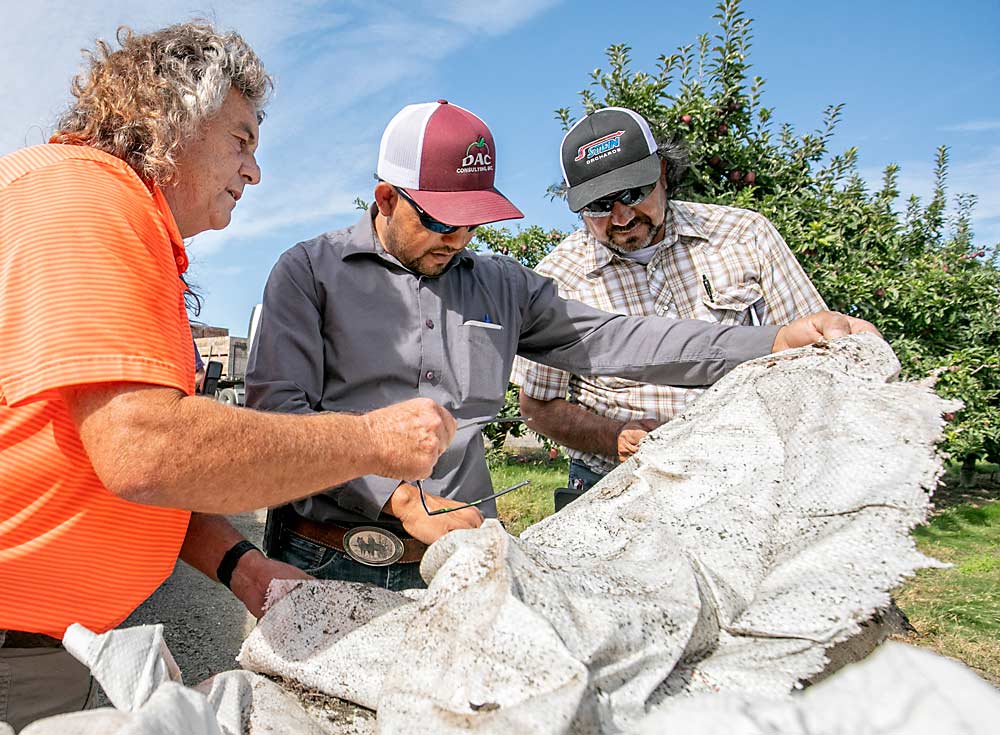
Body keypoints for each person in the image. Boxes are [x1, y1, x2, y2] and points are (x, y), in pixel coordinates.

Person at [0, 23, 452, 730]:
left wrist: (244, 564)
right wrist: (369, 442)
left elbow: (125, 465)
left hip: (48, 643)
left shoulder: (114, 216)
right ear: (170, 115)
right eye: (241, 140)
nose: (254, 171)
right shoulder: (87, 202)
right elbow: (146, 448)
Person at [246, 100, 876, 592]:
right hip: (328, 554)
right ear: (386, 198)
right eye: (440, 220)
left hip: (462, 560)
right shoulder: (309, 274)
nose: (460, 237)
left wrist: (769, 341)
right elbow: (281, 420)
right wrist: (402, 498)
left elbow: (615, 338)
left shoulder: (504, 285)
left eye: (475, 220)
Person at [511, 107, 830, 505]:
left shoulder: (744, 237)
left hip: (746, 480)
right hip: (616, 489)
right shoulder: (559, 278)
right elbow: (539, 407)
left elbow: (812, 361)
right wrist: (613, 438)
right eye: (599, 205)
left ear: (662, 172)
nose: (621, 216)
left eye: (632, 193)